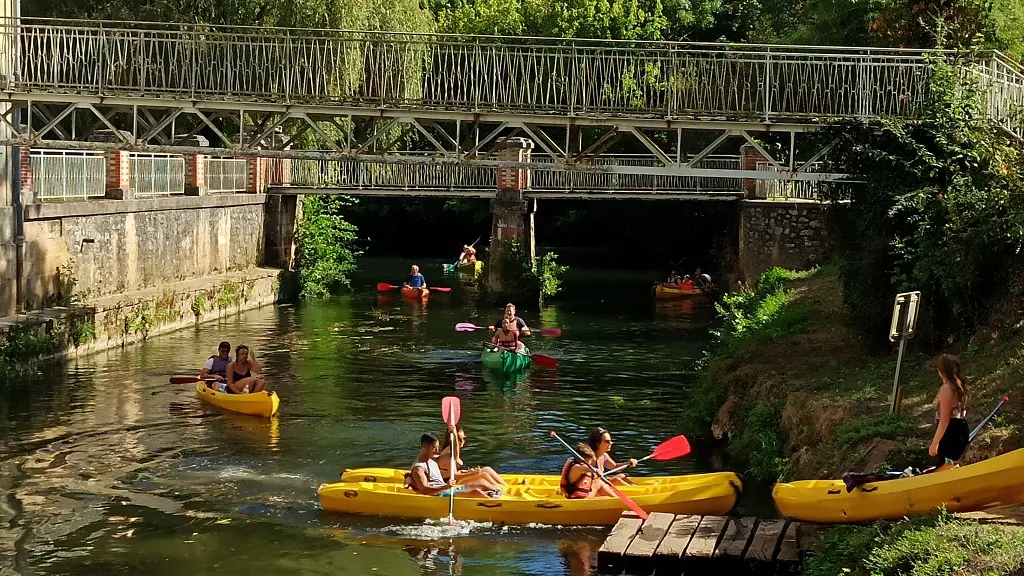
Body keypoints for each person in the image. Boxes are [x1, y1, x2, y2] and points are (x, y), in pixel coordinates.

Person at [407, 433, 495, 498]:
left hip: (446, 490)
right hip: (439, 495)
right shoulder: (419, 468)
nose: (437, 450)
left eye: (438, 447)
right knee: (475, 492)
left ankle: (500, 496)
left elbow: (454, 455)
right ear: (426, 446)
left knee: (482, 483)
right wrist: (446, 486)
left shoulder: (432, 461)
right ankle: (496, 504)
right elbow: (424, 491)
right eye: (435, 448)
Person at [930, 354, 970, 471]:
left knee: (945, 466)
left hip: (950, 433)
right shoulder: (959, 385)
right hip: (960, 427)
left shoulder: (947, 388)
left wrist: (934, 443)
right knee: (951, 464)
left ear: (941, 370)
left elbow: (945, 419)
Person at [438, 426, 506, 492]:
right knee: (483, 475)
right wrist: (473, 473)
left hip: (458, 479)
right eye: (459, 439)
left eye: (464, 438)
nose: (462, 441)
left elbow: (457, 470)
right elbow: (454, 477)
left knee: (487, 469)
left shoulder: (454, 452)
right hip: (452, 483)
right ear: (452, 439)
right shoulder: (449, 455)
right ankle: (500, 490)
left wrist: (468, 471)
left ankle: (505, 487)